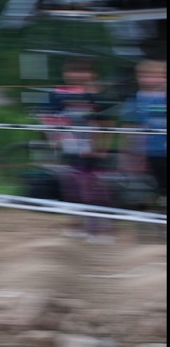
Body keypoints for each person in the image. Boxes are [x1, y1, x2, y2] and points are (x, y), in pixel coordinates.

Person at [51, 57, 117, 242]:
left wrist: (101, 148)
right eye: (73, 71)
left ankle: (102, 230)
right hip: (69, 149)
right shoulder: (60, 96)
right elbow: (53, 120)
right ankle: (76, 224)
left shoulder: (99, 96)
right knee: (71, 188)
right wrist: (55, 140)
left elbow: (108, 125)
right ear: (65, 74)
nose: (77, 75)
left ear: (92, 74)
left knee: (94, 190)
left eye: (83, 71)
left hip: (93, 152)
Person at [119, 59, 167, 208]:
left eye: (157, 75)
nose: (150, 79)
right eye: (145, 75)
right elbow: (129, 130)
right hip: (149, 153)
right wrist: (131, 155)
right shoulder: (134, 101)